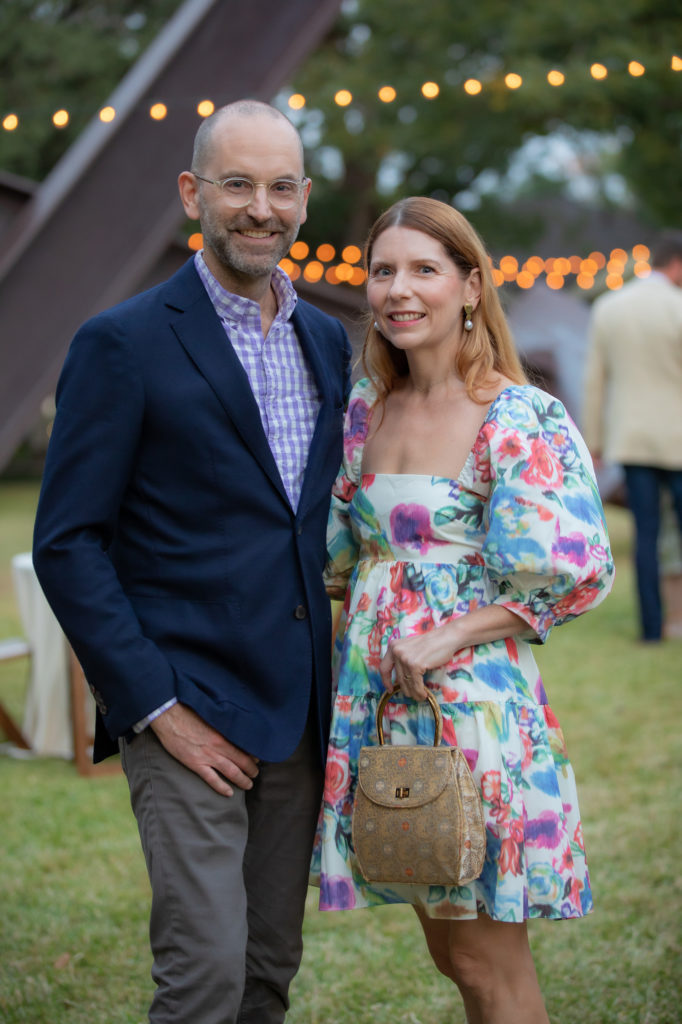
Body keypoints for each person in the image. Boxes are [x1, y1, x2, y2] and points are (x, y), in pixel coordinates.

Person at [32, 100, 351, 1024]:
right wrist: (158, 709)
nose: (262, 207)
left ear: (303, 200)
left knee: (266, 970)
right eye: (238, 184)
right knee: (205, 974)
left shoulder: (326, 340)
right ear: (193, 193)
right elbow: (68, 542)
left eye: (282, 186)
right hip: (185, 705)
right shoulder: (122, 343)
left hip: (298, 708)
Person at [314, 197, 615, 1023]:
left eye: (424, 270)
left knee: (486, 963)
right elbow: (341, 565)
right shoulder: (365, 412)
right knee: (449, 954)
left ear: (471, 285)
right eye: (383, 272)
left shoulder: (517, 416)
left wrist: (450, 632)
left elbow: (574, 576)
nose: (398, 291)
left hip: (473, 709)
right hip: (377, 708)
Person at [582, 230, 682, 642]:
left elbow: (595, 381)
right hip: (678, 437)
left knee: (645, 534)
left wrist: (594, 441)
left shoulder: (609, 306)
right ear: (676, 264)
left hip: (631, 437)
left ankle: (652, 629)